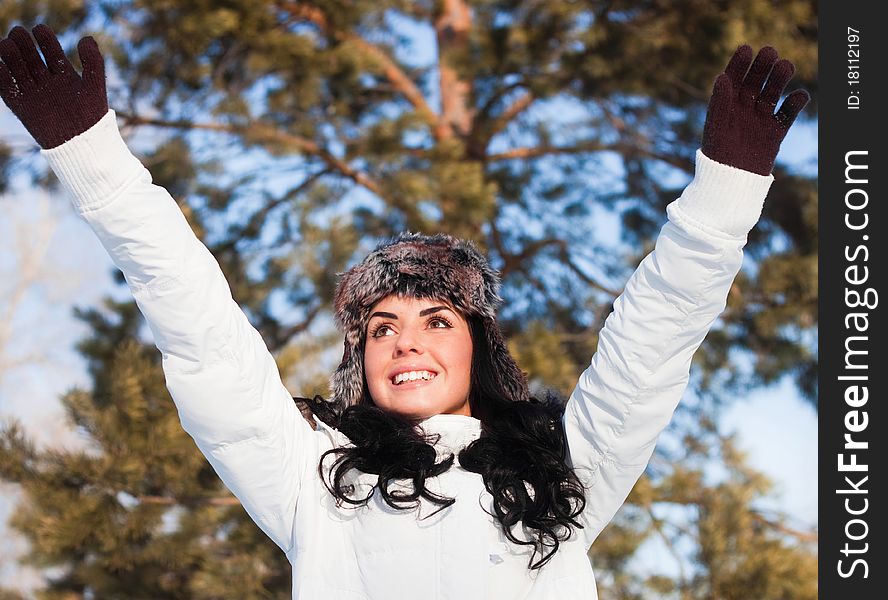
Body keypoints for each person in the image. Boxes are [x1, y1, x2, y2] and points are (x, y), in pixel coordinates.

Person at [0, 24, 809, 600]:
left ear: (476, 350)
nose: (405, 342)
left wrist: (722, 193)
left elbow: (652, 342)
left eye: (436, 320)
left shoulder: (563, 474)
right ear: (362, 357)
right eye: (382, 326)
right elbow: (200, 328)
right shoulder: (313, 478)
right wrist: (96, 164)